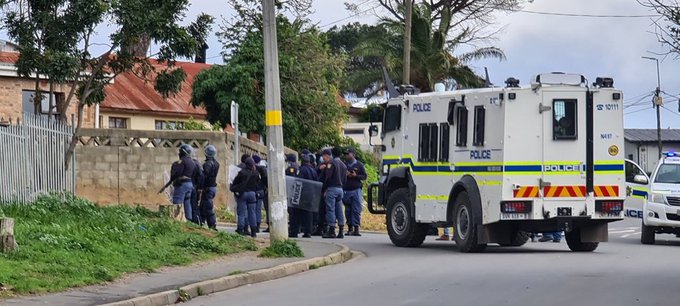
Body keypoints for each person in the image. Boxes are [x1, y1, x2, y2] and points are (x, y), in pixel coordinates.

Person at [320, 148, 347, 239]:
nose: (323, 158)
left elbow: (328, 177)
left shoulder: (331, 163)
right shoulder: (343, 165)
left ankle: (331, 230)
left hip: (332, 188)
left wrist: (325, 189)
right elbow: (345, 179)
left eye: (323, 156)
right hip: (340, 189)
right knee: (339, 209)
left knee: (330, 209)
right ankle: (341, 230)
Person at [230, 157, 260, 237]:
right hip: (252, 194)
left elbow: (235, 182)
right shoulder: (256, 173)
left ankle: (240, 229)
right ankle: (253, 231)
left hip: (243, 194)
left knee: (242, 212)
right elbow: (257, 183)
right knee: (252, 212)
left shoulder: (241, 172)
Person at [292, 154, 319, 238]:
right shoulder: (313, 170)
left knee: (296, 213)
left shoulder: (301, 170)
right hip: (311, 195)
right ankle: (308, 232)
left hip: (302, 194)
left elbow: (298, 181)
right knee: (308, 213)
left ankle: (294, 231)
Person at [342, 148, 367, 236]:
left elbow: (364, 176)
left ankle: (356, 229)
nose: (346, 156)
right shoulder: (344, 165)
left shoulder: (359, 165)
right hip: (346, 190)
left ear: (353, 154)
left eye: (348, 154)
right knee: (348, 210)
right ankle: (349, 228)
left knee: (356, 210)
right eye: (345, 154)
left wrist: (356, 176)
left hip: (356, 190)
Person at [169, 144, 196, 221]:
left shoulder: (181, 161)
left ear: (182, 152)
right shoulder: (192, 162)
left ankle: (177, 220)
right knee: (187, 203)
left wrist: (173, 180)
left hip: (182, 184)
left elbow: (177, 173)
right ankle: (189, 219)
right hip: (190, 184)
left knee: (177, 202)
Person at [199, 145, 220, 230]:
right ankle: (201, 222)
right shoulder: (216, 163)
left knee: (208, 207)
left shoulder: (207, 164)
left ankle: (212, 225)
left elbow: (204, 177)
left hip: (207, 188)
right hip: (212, 187)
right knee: (203, 206)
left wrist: (200, 187)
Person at [285, 153, 301, 237]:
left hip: (292, 192)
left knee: (292, 212)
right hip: (296, 192)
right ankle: (295, 229)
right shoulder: (298, 166)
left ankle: (293, 230)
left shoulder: (291, 167)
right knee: (294, 212)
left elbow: (290, 179)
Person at [253, 154, 268, 233]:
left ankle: (254, 225)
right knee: (258, 209)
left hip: (253, 190)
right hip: (261, 190)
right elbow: (265, 179)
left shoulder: (252, 168)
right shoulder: (262, 169)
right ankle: (257, 226)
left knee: (253, 209)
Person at [189, 152, 204, 225]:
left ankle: (195, 221)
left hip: (193, 186)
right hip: (196, 187)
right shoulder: (198, 164)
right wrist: (200, 188)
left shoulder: (191, 164)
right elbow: (201, 177)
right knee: (195, 205)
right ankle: (198, 221)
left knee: (192, 205)